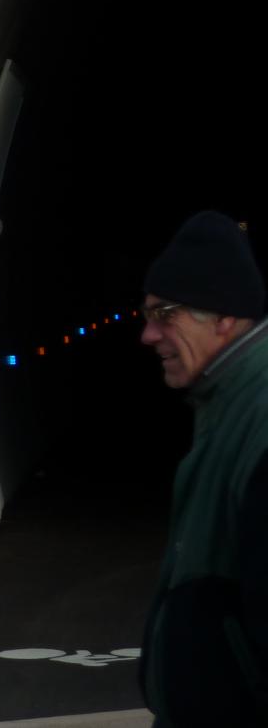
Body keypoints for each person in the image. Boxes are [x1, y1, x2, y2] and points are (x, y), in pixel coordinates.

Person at [138, 211, 268, 725]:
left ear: (225, 318)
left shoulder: (258, 420)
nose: (148, 335)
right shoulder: (226, 403)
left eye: (165, 314)